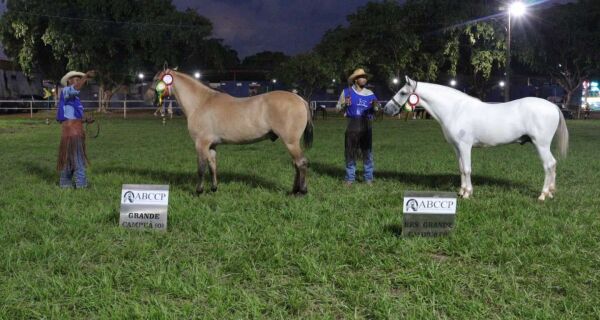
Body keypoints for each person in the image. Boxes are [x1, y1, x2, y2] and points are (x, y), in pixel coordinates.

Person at [336, 68, 380, 186]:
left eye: (365, 77)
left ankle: (368, 178)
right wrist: (345, 104)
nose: (364, 79)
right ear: (355, 80)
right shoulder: (346, 92)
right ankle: (350, 178)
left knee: (367, 152)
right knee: (350, 152)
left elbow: (377, 109)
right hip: (352, 124)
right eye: (361, 77)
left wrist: (376, 107)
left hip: (366, 124)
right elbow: (338, 108)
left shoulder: (370, 94)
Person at [56, 70, 95, 189]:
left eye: (79, 79)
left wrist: (85, 119)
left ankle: (65, 184)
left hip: (70, 131)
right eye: (75, 79)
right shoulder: (67, 91)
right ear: (69, 81)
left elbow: (71, 115)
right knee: (79, 159)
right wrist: (86, 76)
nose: (78, 81)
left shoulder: (74, 99)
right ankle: (81, 185)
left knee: (67, 159)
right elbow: (76, 88)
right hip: (74, 133)